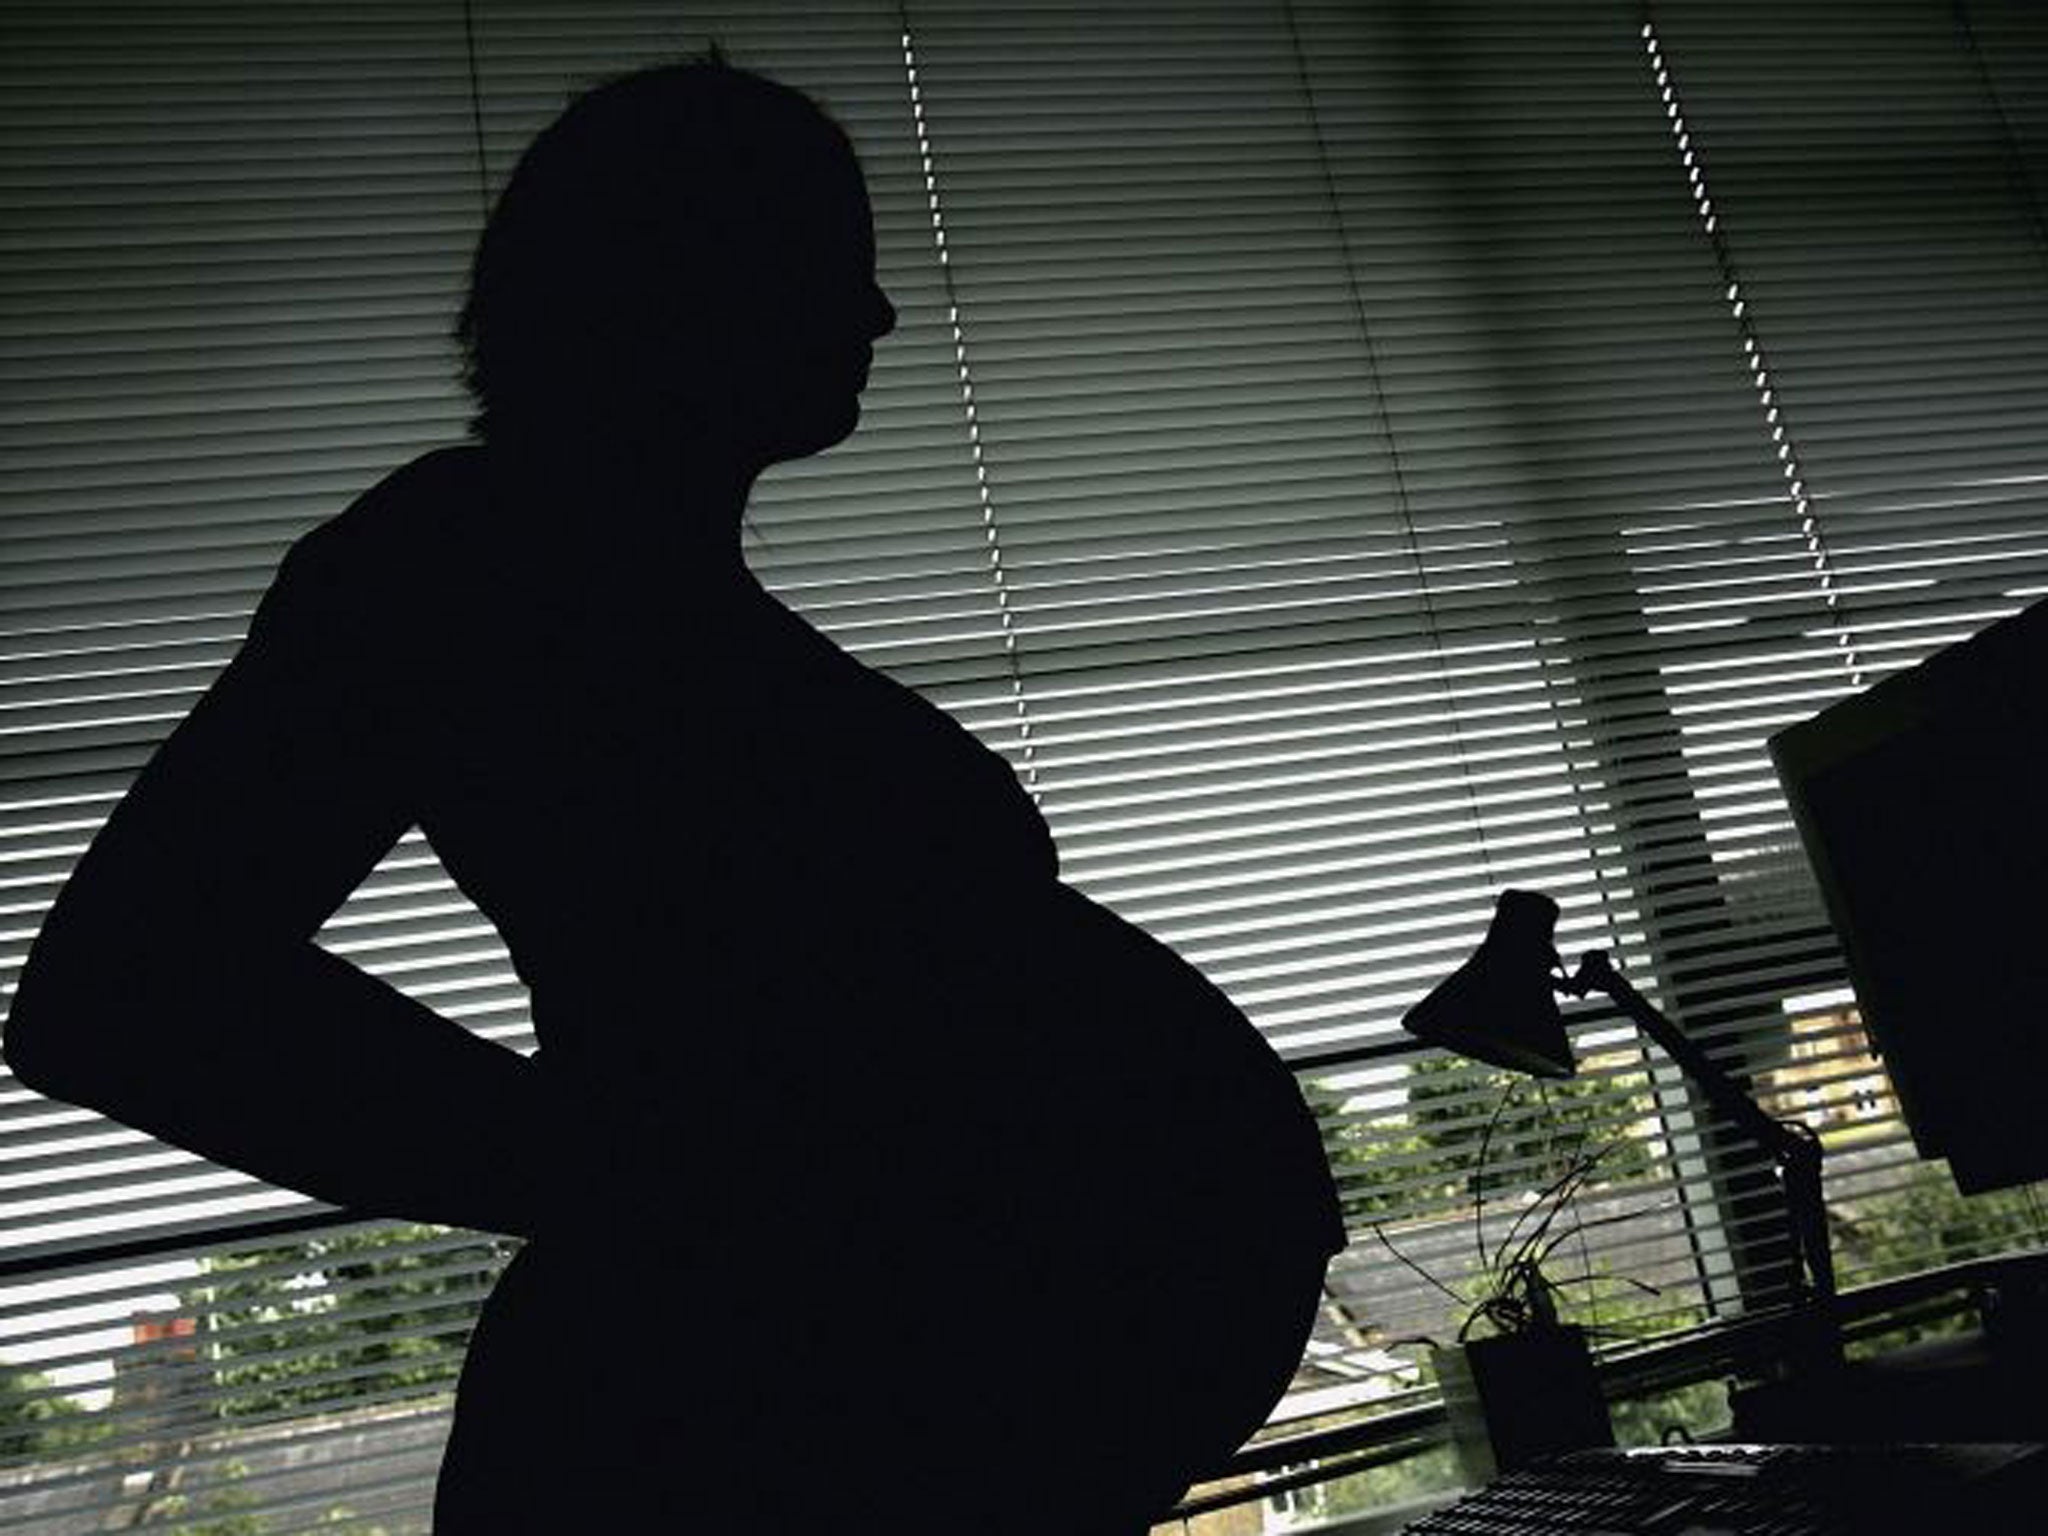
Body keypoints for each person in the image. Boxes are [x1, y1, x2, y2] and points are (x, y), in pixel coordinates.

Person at [6, 56, 1345, 1533]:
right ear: (685, 273)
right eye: (838, 262)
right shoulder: (466, 562)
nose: (882, 311)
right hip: (716, 1440)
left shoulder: (674, 601)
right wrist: (660, 1195)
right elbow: (124, 992)